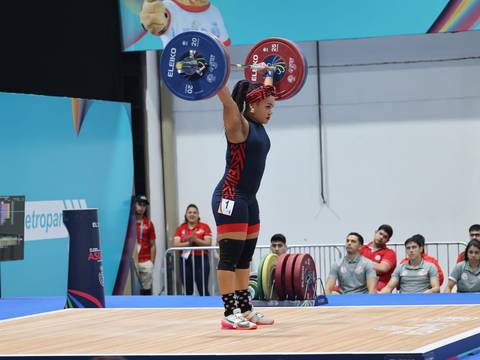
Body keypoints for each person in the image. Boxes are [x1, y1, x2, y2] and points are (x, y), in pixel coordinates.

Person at [211, 64, 276, 330]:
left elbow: (268, 89)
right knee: (229, 257)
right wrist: (216, 71)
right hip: (230, 196)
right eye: (268, 107)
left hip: (249, 198)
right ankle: (229, 313)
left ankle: (246, 309)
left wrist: (269, 70)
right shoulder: (238, 125)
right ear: (251, 106)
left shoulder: (259, 124)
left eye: (272, 106)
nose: (271, 112)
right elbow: (225, 97)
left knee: (244, 257)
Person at [139, 0, 230, 46]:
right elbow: (154, 24)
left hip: (213, 75)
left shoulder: (214, 11)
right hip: (180, 75)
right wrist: (152, 10)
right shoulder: (168, 7)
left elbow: (224, 50)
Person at [173, 204, 212, 296]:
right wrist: (189, 243)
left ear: (198, 215)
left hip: (201, 260)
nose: (192, 214)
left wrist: (196, 240)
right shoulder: (180, 228)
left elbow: (208, 243)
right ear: (186, 215)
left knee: (202, 288)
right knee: (187, 289)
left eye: (194, 212)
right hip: (185, 260)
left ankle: (207, 308)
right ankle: (188, 309)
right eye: (189, 212)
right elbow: (176, 244)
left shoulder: (204, 226)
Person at [360, 224, 396, 290]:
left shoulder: (390, 253)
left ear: (387, 240)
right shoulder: (362, 249)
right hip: (360, 284)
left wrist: (360, 262)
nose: (381, 237)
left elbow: (382, 268)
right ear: (375, 232)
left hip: (379, 287)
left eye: (385, 237)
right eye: (380, 233)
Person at [133, 195, 156, 295]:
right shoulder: (128, 224)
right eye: (139, 205)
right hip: (132, 261)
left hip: (146, 261)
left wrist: (151, 262)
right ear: (134, 205)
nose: (142, 208)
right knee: (133, 290)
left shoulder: (149, 223)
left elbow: (153, 245)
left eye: (144, 206)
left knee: (146, 290)